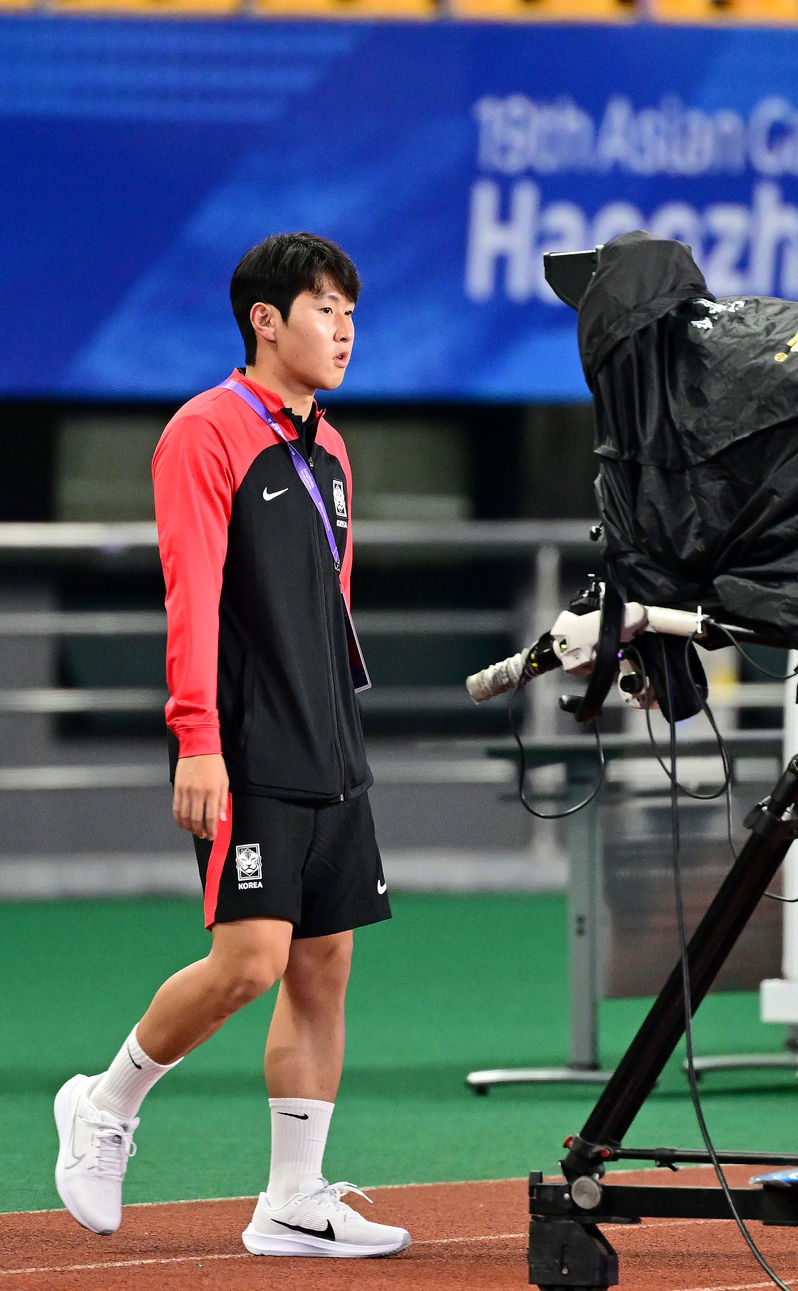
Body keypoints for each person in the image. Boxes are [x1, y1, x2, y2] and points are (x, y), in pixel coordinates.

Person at [53, 231, 410, 1260]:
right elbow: (192, 598)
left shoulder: (330, 450)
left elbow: (329, 607)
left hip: (328, 739)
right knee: (250, 961)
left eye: (352, 311)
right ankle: (104, 1102)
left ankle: (293, 1200)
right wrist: (197, 739)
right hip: (241, 742)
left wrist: (344, 726)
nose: (343, 329)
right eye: (324, 309)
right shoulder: (204, 433)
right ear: (266, 320)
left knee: (323, 963)